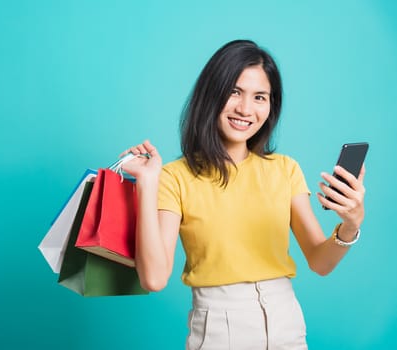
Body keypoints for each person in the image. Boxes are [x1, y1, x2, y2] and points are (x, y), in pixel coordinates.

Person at [121, 39, 366, 350]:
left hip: (286, 323)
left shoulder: (285, 169)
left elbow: (320, 262)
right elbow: (153, 279)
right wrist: (147, 181)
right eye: (234, 91)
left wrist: (350, 225)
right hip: (219, 330)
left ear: (271, 106)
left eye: (259, 97)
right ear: (211, 94)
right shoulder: (175, 177)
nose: (245, 109)